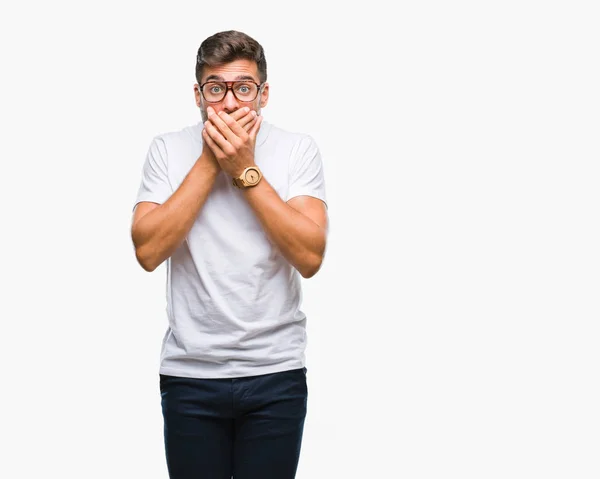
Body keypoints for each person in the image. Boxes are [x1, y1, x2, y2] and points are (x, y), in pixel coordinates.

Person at [130, 30, 328, 479]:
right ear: (199, 95)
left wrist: (244, 170)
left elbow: (311, 256)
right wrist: (210, 161)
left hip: (275, 371)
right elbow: (147, 250)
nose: (232, 103)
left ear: (264, 94)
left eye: (244, 87)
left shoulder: (298, 149)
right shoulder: (167, 149)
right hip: (190, 375)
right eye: (217, 88)